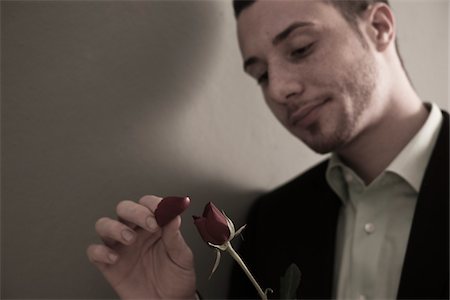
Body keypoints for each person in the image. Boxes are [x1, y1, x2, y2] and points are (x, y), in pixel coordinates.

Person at [86, 0, 449, 299]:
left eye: (300, 48)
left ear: (379, 27)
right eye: (261, 74)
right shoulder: (271, 223)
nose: (277, 90)